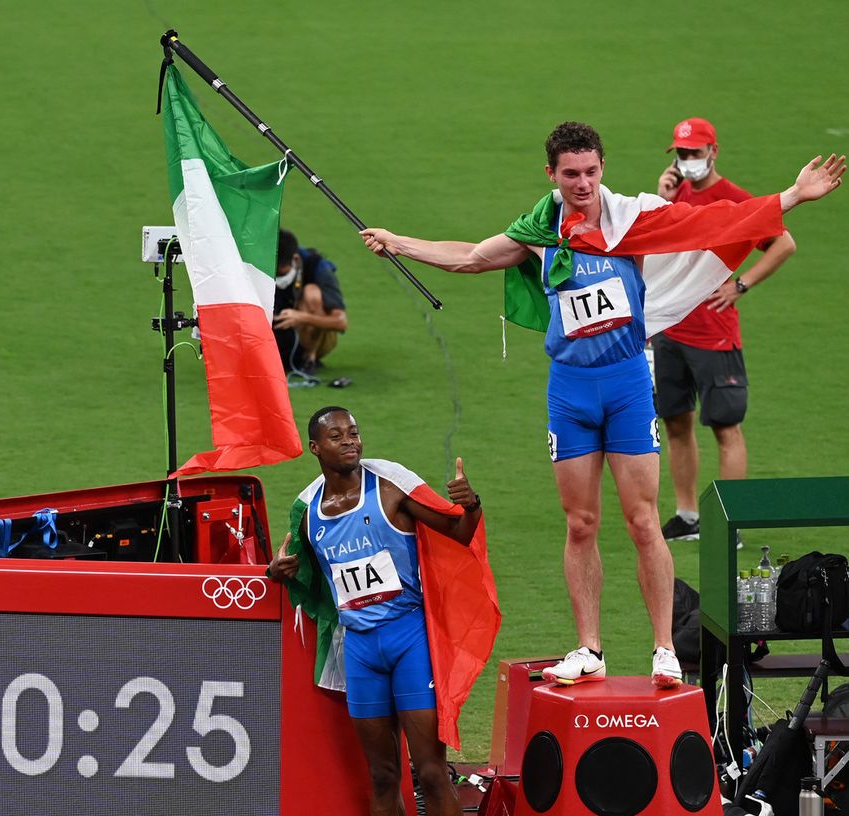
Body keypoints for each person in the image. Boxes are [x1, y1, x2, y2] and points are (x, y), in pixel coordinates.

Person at [360, 122, 844, 687]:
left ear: (602, 168)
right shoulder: (540, 229)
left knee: (644, 521)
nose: (583, 183)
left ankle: (664, 648)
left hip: (627, 386)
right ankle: (589, 647)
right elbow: (470, 256)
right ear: (551, 174)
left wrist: (791, 197)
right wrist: (399, 242)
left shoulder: (631, 222)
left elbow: (716, 220)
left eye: (591, 171)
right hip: (569, 391)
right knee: (581, 522)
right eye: (571, 174)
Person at [268, 407, 493, 816]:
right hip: (361, 650)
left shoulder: (390, 486)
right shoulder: (308, 511)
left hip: (407, 638)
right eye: (336, 436)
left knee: (432, 771)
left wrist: (472, 504)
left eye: (354, 433)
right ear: (315, 448)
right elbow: (305, 578)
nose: (350, 442)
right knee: (383, 778)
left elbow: (459, 534)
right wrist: (281, 575)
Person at [653, 118, 796, 543]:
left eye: (695, 153)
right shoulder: (675, 191)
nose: (687, 161)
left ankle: (730, 523)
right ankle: (688, 516)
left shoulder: (734, 199)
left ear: (714, 152)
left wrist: (740, 285)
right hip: (671, 328)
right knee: (676, 423)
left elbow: (783, 243)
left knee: (725, 427)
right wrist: (662, 201)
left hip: (713, 334)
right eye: (682, 153)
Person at [273, 229, 348, 379]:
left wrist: (301, 317)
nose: (277, 276)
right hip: (272, 334)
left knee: (312, 292)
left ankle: (309, 359)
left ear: (295, 259)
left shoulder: (317, 266)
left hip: (307, 334)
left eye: (280, 272)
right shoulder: (255, 265)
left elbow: (341, 322)